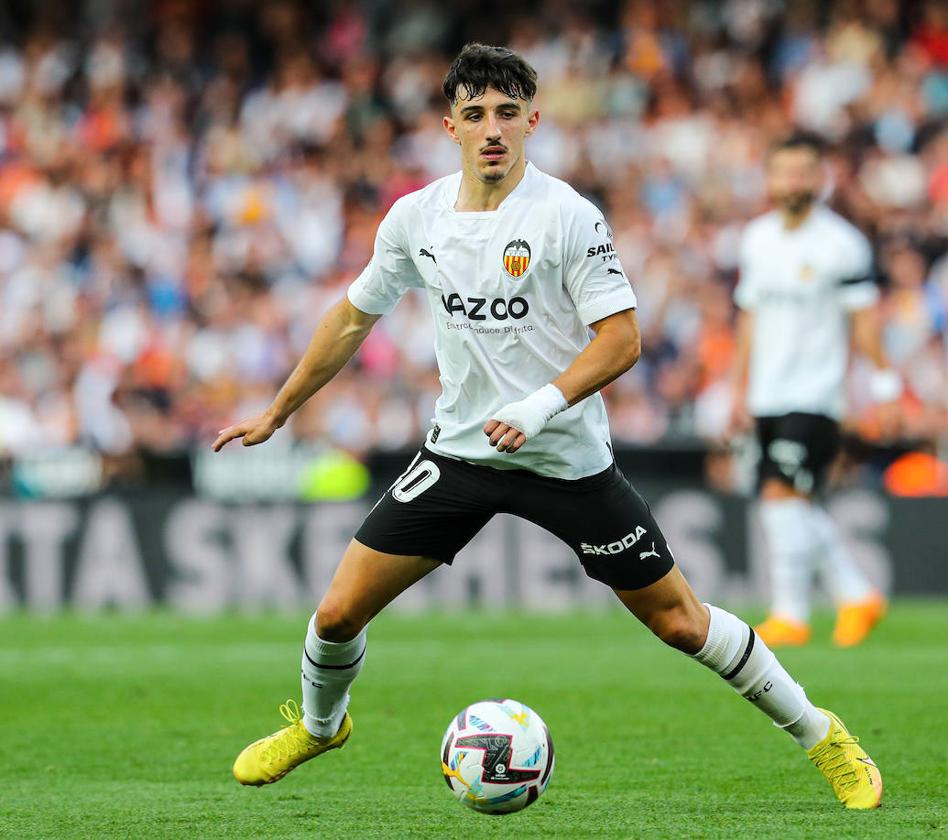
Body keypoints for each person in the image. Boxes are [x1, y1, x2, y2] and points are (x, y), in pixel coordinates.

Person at [213, 44, 882, 810]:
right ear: (450, 127)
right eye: (474, 115)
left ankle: (821, 733)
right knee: (335, 613)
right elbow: (353, 316)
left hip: (563, 458)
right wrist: (279, 409)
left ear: (532, 119)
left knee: (681, 624)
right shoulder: (416, 218)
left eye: (506, 113)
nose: (491, 129)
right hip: (462, 454)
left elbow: (622, 340)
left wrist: (538, 408)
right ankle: (323, 726)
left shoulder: (567, 216)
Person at [728, 132, 897, 648]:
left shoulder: (841, 244)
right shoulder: (756, 239)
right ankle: (857, 594)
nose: (793, 182)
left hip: (817, 393)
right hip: (766, 394)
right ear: (770, 179)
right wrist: (737, 390)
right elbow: (749, 319)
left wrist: (886, 385)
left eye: (803, 171)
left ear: (820, 178)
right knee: (789, 503)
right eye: (784, 171)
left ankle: (791, 615)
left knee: (782, 496)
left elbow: (865, 321)